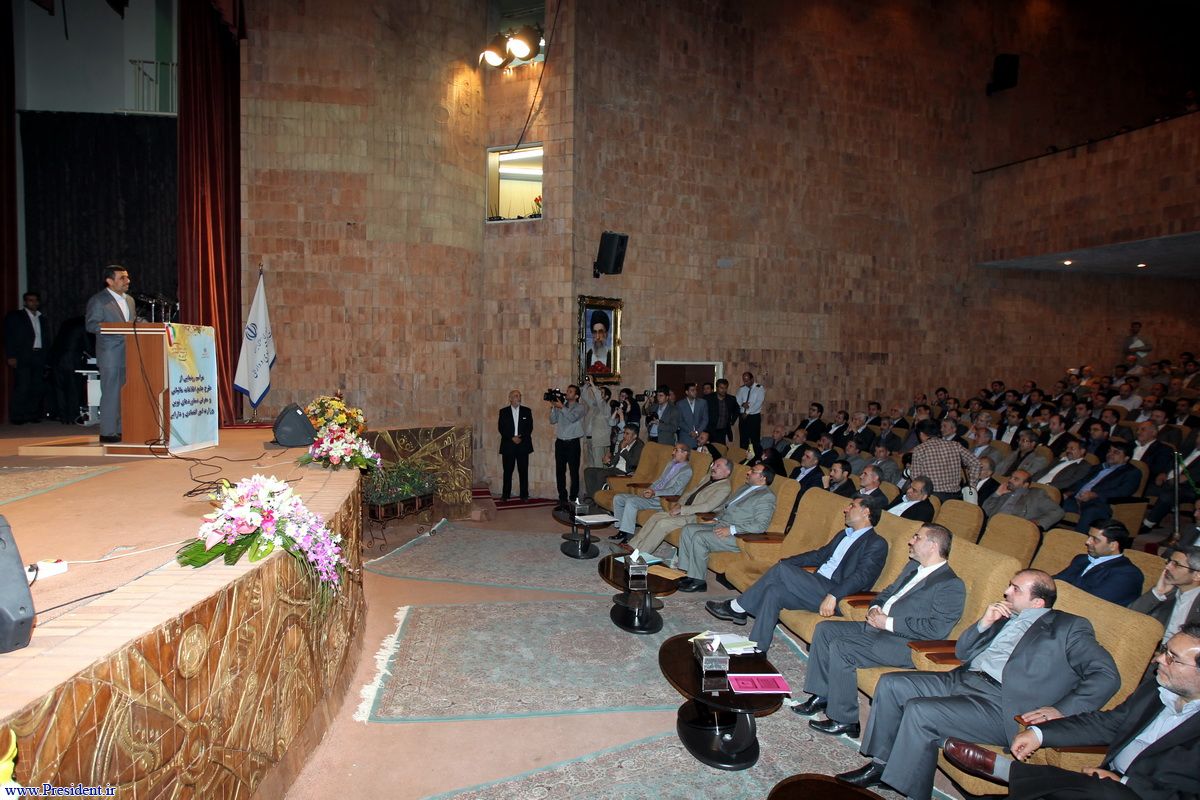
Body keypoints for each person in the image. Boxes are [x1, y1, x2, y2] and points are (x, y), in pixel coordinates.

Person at [836, 570, 1120, 799]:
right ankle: (881, 765)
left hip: (1001, 702)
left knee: (921, 711)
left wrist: (1061, 710)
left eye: (1015, 589)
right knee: (892, 684)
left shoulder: (1069, 627)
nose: (1006, 592)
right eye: (1009, 586)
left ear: (1037, 603)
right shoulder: (1004, 616)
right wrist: (985, 623)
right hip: (963, 679)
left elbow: (1106, 675)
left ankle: (907, 789)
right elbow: (962, 652)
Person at [939, 622, 1200, 800]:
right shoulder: (1155, 689)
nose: (1159, 660)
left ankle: (1009, 772)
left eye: (1172, 658)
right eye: (1164, 651)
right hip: (1101, 783)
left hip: (1139, 792)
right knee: (1095, 790)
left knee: (1106, 793)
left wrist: (1125, 783)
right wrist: (1039, 733)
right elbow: (1106, 723)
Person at [796, 524, 965, 738]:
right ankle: (822, 695)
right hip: (879, 627)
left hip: (906, 644)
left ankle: (845, 719)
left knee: (843, 647)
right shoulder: (913, 567)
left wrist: (888, 623)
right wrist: (875, 607)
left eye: (917, 537)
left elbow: (936, 629)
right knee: (825, 629)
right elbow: (887, 593)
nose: (911, 541)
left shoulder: (951, 584)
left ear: (932, 546)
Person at [705, 496, 888, 651]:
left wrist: (834, 595)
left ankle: (738, 607)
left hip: (835, 593)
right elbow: (819, 555)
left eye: (852, 506)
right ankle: (758, 647)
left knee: (781, 571)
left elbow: (862, 577)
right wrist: (787, 562)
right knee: (774, 591)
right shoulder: (844, 534)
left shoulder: (876, 543)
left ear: (866, 512)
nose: (846, 509)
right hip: (816, 584)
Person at [675, 463, 777, 593]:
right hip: (722, 524)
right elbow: (727, 507)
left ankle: (699, 582)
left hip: (739, 535)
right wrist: (716, 519)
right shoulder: (745, 488)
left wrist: (731, 529)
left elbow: (760, 526)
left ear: (763, 478)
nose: (748, 472)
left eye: (753, 471)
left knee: (700, 537)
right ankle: (689, 573)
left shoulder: (766, 496)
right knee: (688, 529)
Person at [625, 457, 732, 555]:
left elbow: (707, 507)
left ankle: (640, 555)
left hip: (697, 517)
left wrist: (682, 509)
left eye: (718, 466)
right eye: (714, 464)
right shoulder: (708, 477)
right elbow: (690, 493)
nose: (713, 467)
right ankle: (632, 545)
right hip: (684, 510)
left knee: (663, 523)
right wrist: (679, 504)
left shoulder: (724, 487)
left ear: (727, 472)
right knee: (656, 516)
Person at [84, 265, 136, 443]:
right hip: (110, 354)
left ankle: (121, 429)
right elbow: (91, 325)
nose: (127, 281)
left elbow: (131, 323)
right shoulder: (99, 300)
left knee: (124, 393)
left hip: (129, 352)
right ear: (109, 281)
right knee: (111, 392)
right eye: (122, 278)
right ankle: (107, 431)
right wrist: (117, 329)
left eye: (127, 277)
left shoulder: (130, 300)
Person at [609, 444, 693, 544]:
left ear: (685, 453)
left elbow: (674, 490)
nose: (673, 453)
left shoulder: (687, 471)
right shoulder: (671, 464)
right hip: (653, 495)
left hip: (662, 500)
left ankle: (628, 534)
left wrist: (655, 493)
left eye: (676, 450)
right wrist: (649, 489)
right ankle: (621, 529)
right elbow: (660, 480)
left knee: (632, 501)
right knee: (618, 498)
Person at [1053, 519, 1144, 606]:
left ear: (1113, 546)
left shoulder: (1127, 573)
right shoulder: (1081, 559)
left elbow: (1093, 603)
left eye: (1095, 539)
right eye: (1089, 536)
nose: (1087, 542)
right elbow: (1056, 581)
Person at [1063, 439, 1141, 532]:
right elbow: (1081, 482)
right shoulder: (1098, 467)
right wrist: (1068, 493)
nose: (1110, 454)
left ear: (1126, 458)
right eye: (1109, 451)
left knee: (1091, 511)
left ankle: (1078, 539)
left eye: (1116, 452)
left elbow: (1123, 491)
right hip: (1076, 499)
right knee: (1054, 501)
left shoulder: (1132, 472)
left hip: (1099, 504)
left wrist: (1095, 494)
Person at [1130, 545, 1200, 643]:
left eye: (1176, 564)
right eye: (1169, 561)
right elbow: (1128, 617)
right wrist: (1157, 593)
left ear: (1197, 575)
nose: (1167, 566)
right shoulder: (1167, 591)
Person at [5, 291, 50, 424]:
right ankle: (17, 416)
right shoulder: (16, 316)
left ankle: (32, 414)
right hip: (23, 355)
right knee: (22, 386)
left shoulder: (42, 318)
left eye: (35, 300)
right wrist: (11, 355)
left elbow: (46, 338)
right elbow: (9, 337)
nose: (33, 303)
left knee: (37, 387)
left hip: (39, 355)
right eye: (30, 300)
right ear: (25, 302)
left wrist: (47, 356)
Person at [910, 418, 981, 500]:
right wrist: (972, 485)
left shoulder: (919, 449)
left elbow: (915, 477)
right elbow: (976, 463)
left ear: (921, 434)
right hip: (955, 495)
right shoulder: (955, 445)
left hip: (932, 496)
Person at [982, 469, 1066, 531]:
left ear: (1025, 485)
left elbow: (1058, 512)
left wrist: (1037, 523)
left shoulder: (1036, 495)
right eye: (1011, 477)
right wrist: (997, 494)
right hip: (989, 526)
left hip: (1013, 530)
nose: (1010, 480)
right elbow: (985, 510)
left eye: (1016, 479)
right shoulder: (1004, 491)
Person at [548, 384, 586, 510]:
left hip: (572, 443)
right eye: (567, 391)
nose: (567, 393)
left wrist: (562, 407)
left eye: (570, 391)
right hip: (560, 442)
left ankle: (573, 497)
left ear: (576, 396)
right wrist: (554, 407)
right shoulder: (562, 405)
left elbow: (572, 418)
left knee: (574, 471)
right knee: (560, 471)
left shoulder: (580, 407)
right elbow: (552, 420)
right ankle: (562, 498)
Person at [583, 423, 643, 500]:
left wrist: (623, 449)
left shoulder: (639, 445)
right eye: (624, 433)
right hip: (615, 469)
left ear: (634, 436)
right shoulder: (622, 442)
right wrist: (608, 461)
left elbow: (633, 463)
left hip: (626, 472)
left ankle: (600, 499)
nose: (624, 436)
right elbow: (616, 458)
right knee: (588, 471)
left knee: (602, 474)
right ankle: (593, 498)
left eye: (627, 434)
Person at [497, 389, 533, 502]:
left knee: (523, 471)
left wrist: (520, 438)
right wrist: (511, 437)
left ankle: (524, 495)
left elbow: (529, 427)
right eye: (516, 396)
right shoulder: (503, 412)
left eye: (519, 396)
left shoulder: (527, 411)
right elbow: (501, 428)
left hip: (523, 445)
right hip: (508, 445)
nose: (518, 398)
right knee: (507, 471)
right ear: (510, 398)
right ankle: (505, 495)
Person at [579, 376, 612, 468]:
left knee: (599, 466)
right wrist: (587, 384)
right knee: (592, 465)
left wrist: (593, 384)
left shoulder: (606, 407)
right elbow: (584, 395)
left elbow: (599, 399)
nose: (598, 393)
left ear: (606, 397)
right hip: (590, 440)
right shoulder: (594, 406)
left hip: (600, 441)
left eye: (601, 393)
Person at [735, 371, 765, 450]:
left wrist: (747, 412)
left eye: (747, 380)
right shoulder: (742, 389)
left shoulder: (759, 388)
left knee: (754, 439)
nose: (745, 383)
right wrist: (742, 404)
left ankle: (755, 456)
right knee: (743, 439)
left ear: (752, 379)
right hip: (743, 417)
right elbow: (737, 399)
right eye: (744, 381)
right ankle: (743, 455)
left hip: (753, 417)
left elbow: (758, 403)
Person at [705, 378, 740, 444]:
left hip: (723, 430)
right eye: (721, 388)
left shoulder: (731, 399)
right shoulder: (708, 398)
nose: (724, 390)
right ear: (717, 388)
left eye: (725, 388)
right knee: (709, 448)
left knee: (721, 448)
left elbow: (737, 410)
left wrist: (732, 421)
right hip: (710, 430)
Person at [675, 382, 708, 447]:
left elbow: (705, 419)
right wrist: (690, 431)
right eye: (692, 390)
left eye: (696, 390)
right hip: (685, 436)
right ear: (687, 392)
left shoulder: (703, 402)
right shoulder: (680, 404)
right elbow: (679, 421)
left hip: (700, 436)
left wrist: (697, 432)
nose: (695, 392)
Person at [584, 308, 611, 374]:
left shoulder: (611, 357)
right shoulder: (588, 356)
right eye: (595, 332)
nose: (597, 337)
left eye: (600, 332)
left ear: (606, 334)